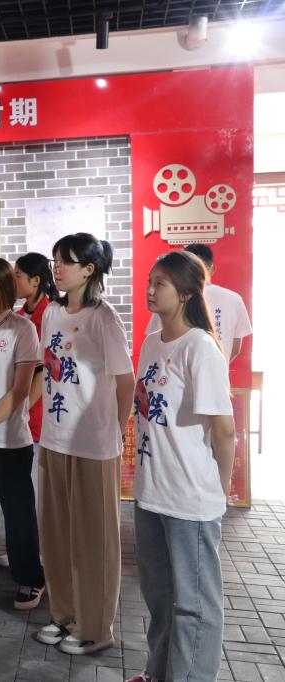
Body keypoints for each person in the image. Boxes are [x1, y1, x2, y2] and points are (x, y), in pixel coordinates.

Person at [126, 251, 236, 682]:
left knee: (194, 606)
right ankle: (158, 673)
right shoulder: (153, 342)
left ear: (187, 293)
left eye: (161, 284)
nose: (151, 290)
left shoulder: (200, 348)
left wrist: (219, 490)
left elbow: (224, 430)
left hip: (191, 498)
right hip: (152, 493)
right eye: (150, 281)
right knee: (159, 596)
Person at [34, 233, 134, 656]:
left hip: (94, 443)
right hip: (54, 439)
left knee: (94, 539)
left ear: (89, 270)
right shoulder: (51, 313)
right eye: (55, 260)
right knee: (56, 534)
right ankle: (64, 614)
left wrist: (115, 430)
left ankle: (95, 626)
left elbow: (126, 382)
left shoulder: (103, 318)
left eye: (65, 261)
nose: (57, 268)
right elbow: (47, 369)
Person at [0, 258, 46, 610]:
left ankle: (30, 577)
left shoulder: (22, 329)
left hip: (10, 440)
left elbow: (20, 391)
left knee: (18, 515)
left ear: (2, 289)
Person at [145, 243, 251, 366]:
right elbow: (235, 348)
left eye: (159, 283)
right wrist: (219, 364)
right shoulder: (234, 299)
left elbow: (157, 346)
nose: (150, 291)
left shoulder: (172, 301)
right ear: (212, 268)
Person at [14, 252, 59, 524]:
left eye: (18, 275)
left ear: (36, 281)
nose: (13, 281)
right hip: (19, 412)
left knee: (37, 488)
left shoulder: (51, 314)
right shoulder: (20, 316)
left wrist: (21, 408)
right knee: (22, 491)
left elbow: (45, 372)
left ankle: (42, 544)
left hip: (37, 413)